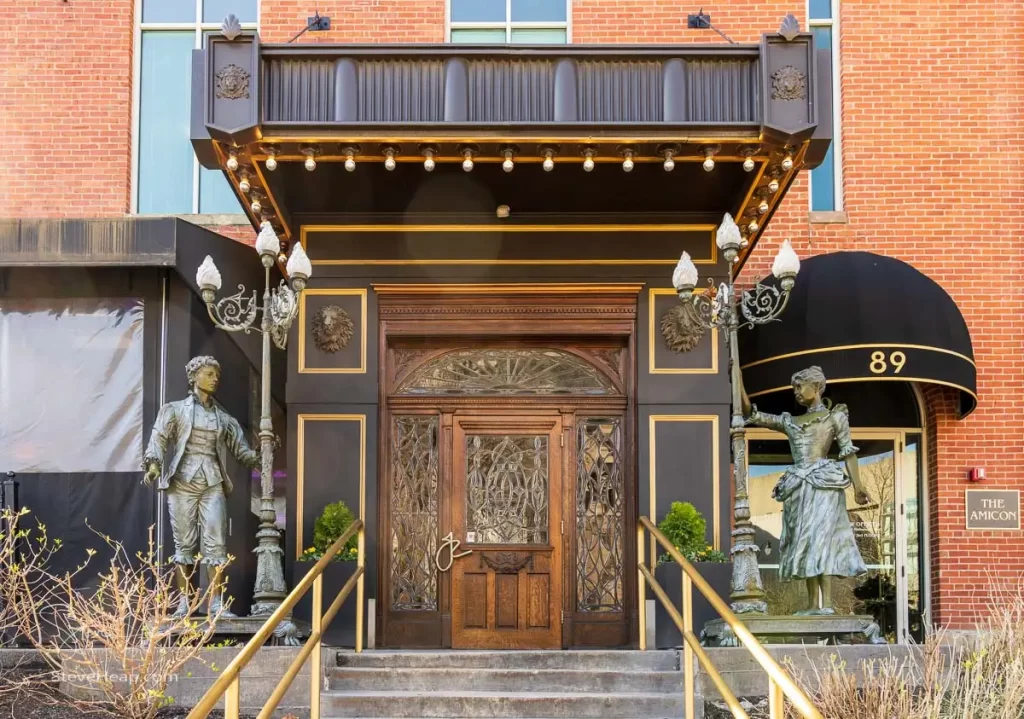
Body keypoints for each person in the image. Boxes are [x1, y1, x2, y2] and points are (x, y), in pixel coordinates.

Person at [740, 365, 869, 615]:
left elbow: (848, 452)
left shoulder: (834, 417)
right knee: (806, 541)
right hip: (799, 487)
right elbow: (753, 415)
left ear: (817, 387)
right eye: (794, 388)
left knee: (822, 539)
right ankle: (812, 604)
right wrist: (739, 381)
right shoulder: (791, 421)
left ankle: (827, 604)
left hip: (823, 484)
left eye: (801, 386)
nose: (797, 392)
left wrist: (858, 485)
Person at [143, 355, 260, 618]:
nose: (214, 379)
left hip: (213, 483)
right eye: (208, 374)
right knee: (184, 545)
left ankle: (216, 603)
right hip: (182, 482)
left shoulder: (224, 419)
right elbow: (159, 438)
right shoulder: (174, 409)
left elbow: (242, 452)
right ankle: (185, 603)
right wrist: (153, 465)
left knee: (216, 544)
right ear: (194, 377)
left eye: (216, 375)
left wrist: (261, 454)